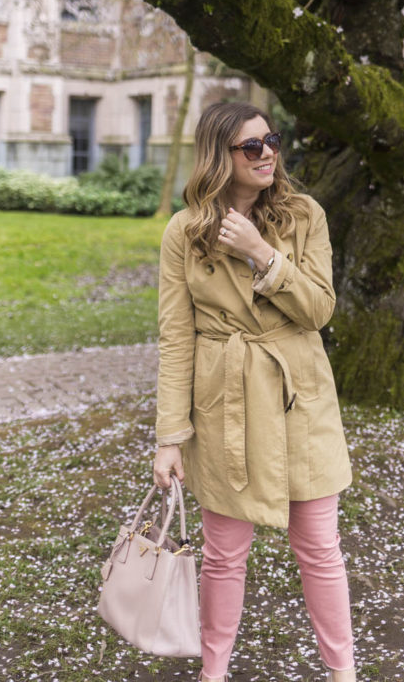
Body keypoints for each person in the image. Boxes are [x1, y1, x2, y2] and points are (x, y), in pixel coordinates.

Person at [153, 101, 357, 682]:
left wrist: (259, 252)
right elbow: (176, 338)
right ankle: (212, 673)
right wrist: (171, 437)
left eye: (271, 140)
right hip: (225, 404)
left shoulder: (303, 215)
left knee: (319, 547)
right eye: (251, 147)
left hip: (300, 396)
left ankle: (343, 673)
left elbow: (319, 309)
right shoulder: (184, 232)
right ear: (221, 155)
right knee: (223, 556)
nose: (267, 153)